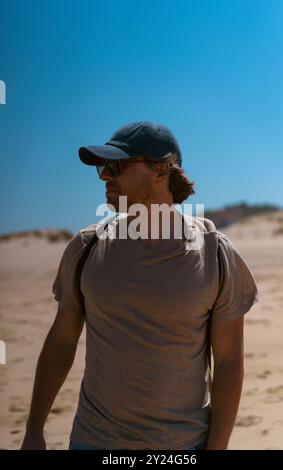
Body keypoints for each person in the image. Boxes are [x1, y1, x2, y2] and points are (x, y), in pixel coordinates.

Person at [21, 121, 259, 450]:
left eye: (116, 165)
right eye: (103, 167)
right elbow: (62, 341)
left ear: (162, 171)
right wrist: (34, 429)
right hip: (93, 442)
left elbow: (230, 360)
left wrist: (216, 447)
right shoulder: (88, 247)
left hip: (181, 447)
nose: (105, 176)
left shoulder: (214, 253)